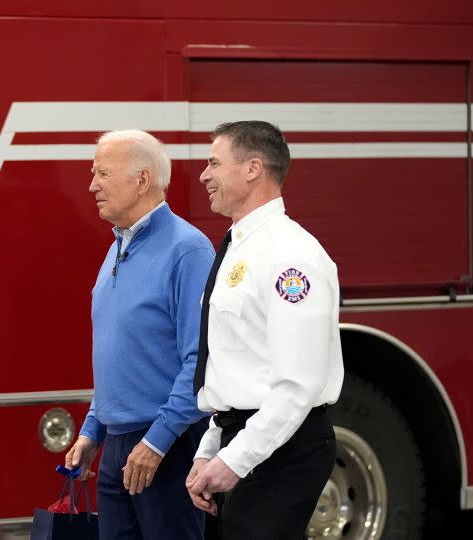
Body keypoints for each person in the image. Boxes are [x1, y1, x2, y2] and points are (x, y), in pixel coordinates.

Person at [185, 121, 345, 539]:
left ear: (253, 168)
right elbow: (236, 366)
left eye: (214, 163)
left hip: (284, 446)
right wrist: (210, 450)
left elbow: (296, 386)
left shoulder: (291, 256)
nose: (204, 175)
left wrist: (235, 459)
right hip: (247, 439)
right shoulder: (241, 246)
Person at [65, 129, 214, 540]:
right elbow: (122, 354)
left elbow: (199, 360)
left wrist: (157, 442)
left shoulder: (188, 250)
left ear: (142, 179)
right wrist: (93, 430)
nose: (92, 185)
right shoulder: (117, 247)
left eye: (102, 173)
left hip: (166, 444)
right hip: (116, 447)